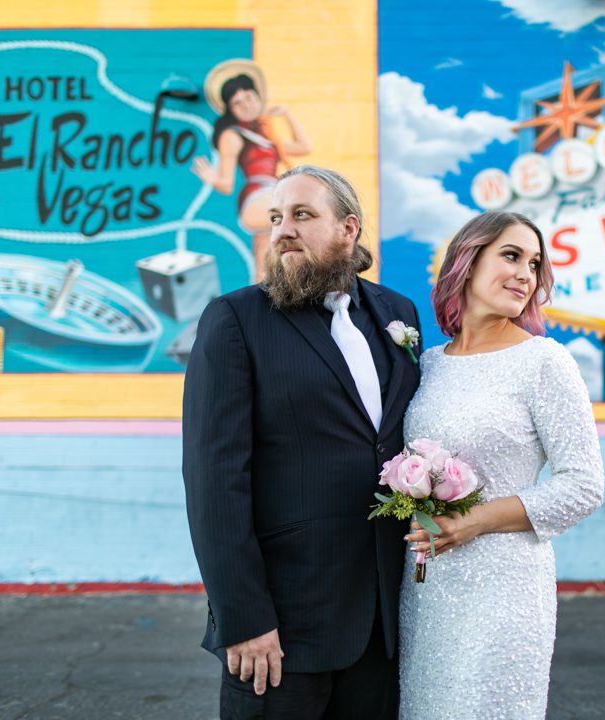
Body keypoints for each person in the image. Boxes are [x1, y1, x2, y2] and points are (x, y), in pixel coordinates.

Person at [182, 164, 422, 719]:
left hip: (381, 624)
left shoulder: (398, 314)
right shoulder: (235, 319)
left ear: (348, 228)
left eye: (302, 215)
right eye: (275, 217)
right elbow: (214, 482)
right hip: (282, 627)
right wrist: (243, 618)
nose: (282, 230)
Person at [398, 211, 605, 719]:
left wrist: (474, 521)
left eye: (534, 264)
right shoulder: (430, 364)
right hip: (426, 590)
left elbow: (584, 485)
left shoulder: (544, 362)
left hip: (505, 589)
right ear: (467, 262)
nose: (525, 275)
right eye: (511, 256)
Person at [193, 59, 312, 282]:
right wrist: (211, 178)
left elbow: (304, 147)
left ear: (258, 96)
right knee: (302, 216)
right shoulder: (233, 135)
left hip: (273, 193)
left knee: (265, 258)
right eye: (238, 103)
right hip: (256, 197)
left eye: (249, 97)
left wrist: (287, 115)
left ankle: (261, 300)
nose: (246, 105)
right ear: (230, 110)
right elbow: (227, 184)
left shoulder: (265, 134)